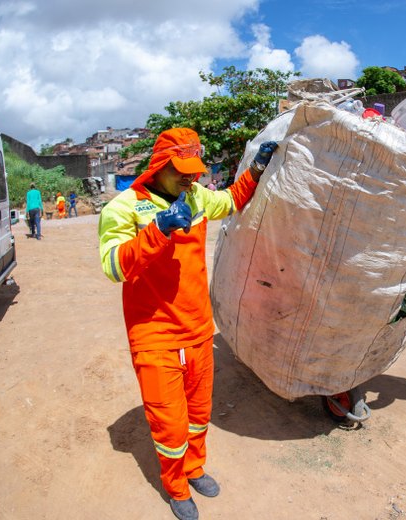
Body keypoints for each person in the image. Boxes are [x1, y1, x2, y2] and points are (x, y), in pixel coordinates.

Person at [98, 128, 278, 520]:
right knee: (170, 423)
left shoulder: (196, 197)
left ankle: (194, 469)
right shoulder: (123, 208)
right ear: (160, 165)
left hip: (197, 329)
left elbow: (229, 200)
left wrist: (257, 169)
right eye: (180, 169)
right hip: (154, 335)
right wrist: (158, 230)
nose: (190, 177)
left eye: (194, 169)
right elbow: (113, 267)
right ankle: (176, 486)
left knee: (198, 413)